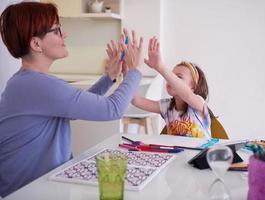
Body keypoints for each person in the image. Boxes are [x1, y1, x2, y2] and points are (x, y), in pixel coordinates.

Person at [0, 2, 143, 197]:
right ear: (36, 44)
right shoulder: (37, 85)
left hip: (46, 186)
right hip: (30, 193)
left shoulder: (29, 82)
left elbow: (74, 107)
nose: (64, 34)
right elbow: (113, 109)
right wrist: (134, 70)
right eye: (57, 30)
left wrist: (109, 77)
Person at [132, 37, 214, 139]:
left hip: (200, 155)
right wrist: (130, 71)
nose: (170, 79)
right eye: (171, 75)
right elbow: (136, 100)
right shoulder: (166, 106)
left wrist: (160, 68)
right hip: (177, 155)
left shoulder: (198, 104)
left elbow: (187, 94)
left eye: (178, 77)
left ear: (193, 86)